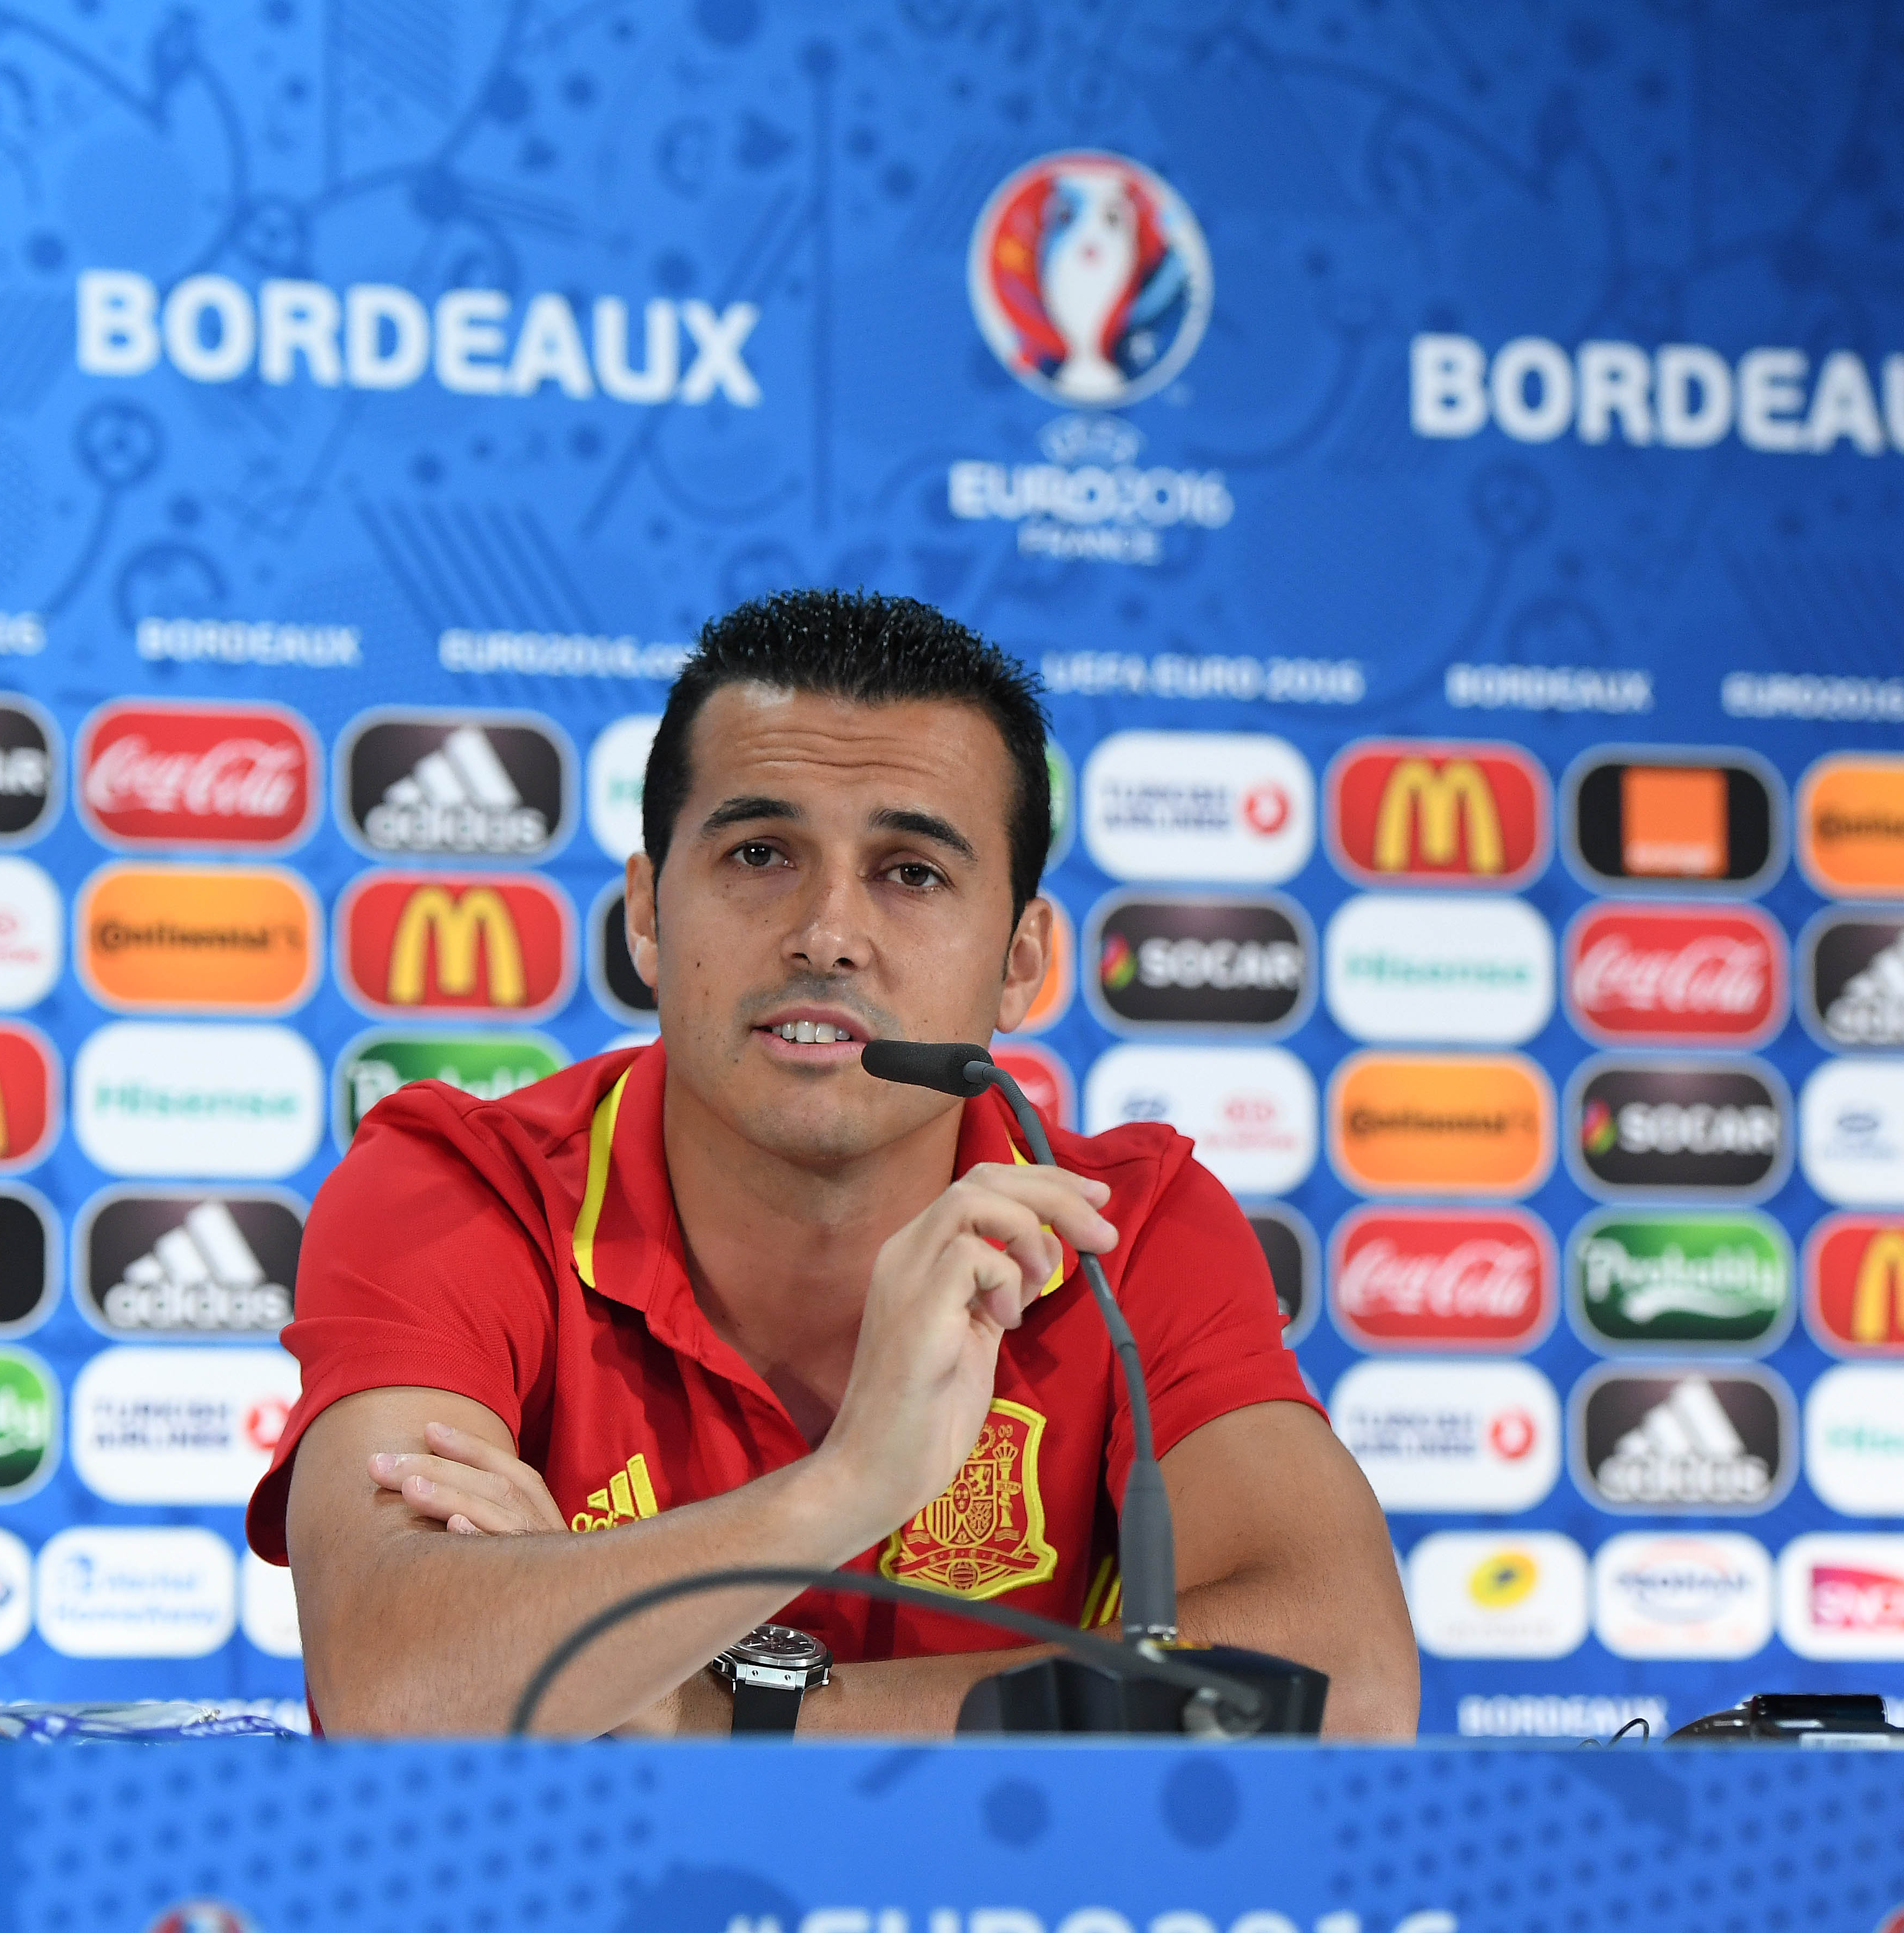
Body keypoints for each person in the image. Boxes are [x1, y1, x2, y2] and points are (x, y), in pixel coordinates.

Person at [249, 589, 1417, 1736]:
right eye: (761, 853)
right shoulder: (458, 1189)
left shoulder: (1126, 1233)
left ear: (1020, 963)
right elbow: (402, 1690)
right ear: (650, 913)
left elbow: (1345, 1690)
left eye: (912, 872)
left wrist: (713, 1716)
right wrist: (845, 1485)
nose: (827, 934)